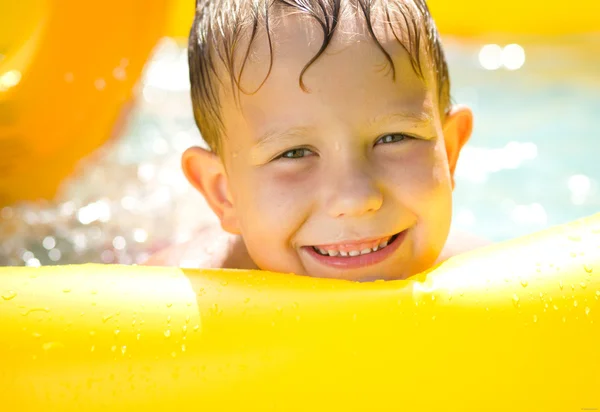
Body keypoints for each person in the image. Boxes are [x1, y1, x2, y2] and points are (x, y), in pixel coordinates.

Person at [146, 0, 488, 281]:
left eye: (393, 138)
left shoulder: (482, 279)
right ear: (224, 193)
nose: (355, 198)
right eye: (294, 153)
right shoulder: (164, 302)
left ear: (450, 150)